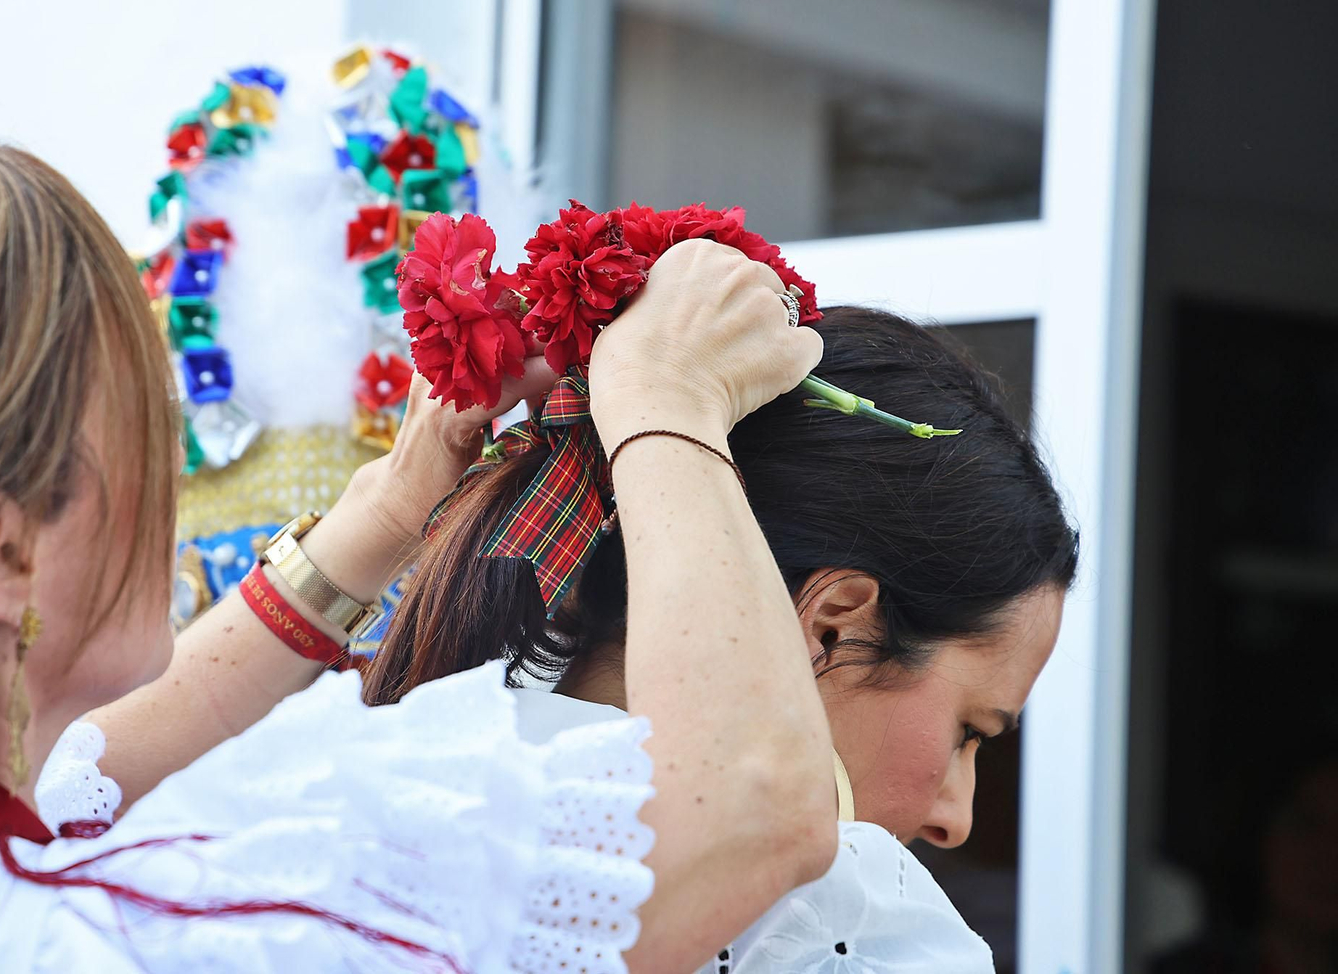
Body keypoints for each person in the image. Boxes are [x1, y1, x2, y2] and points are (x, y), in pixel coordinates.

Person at [0, 0, 847, 971]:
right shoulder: (42, 941)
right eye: (147, 421)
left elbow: (112, 753)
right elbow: (743, 807)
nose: (174, 467)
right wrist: (668, 401)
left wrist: (390, 509)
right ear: (3, 555)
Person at [366, 304, 1080, 972]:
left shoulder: (392, 780)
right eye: (968, 732)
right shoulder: (846, 919)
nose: (957, 817)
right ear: (831, 625)